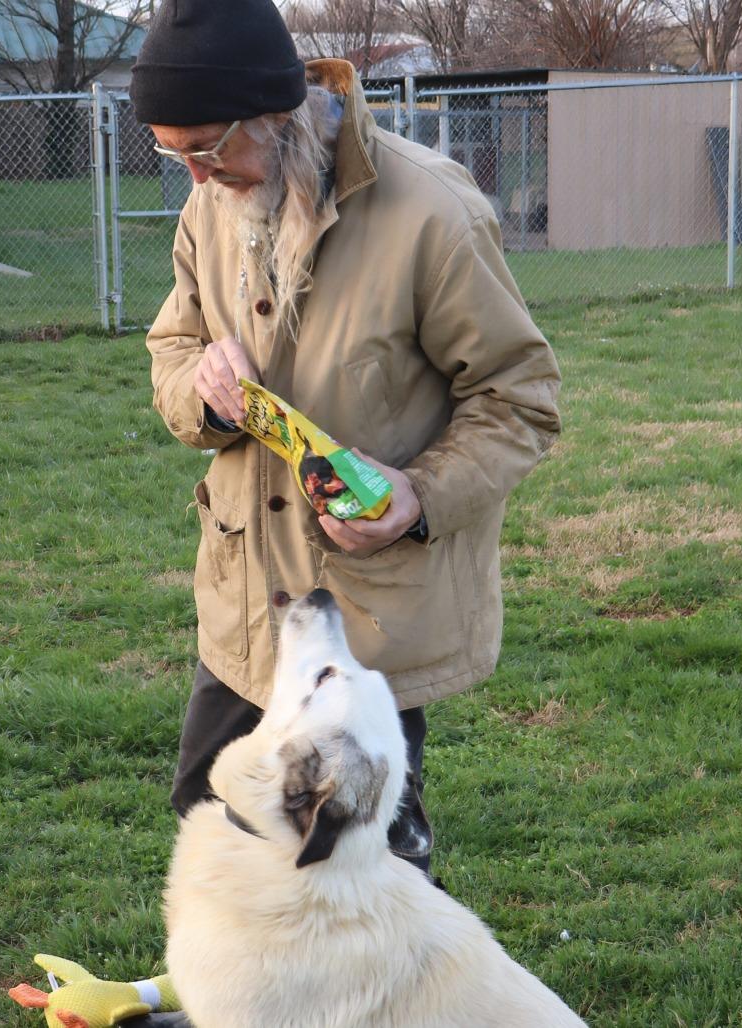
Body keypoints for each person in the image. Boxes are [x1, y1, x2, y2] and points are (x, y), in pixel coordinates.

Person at [133, 0, 562, 878]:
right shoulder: (209, 203)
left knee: (365, 855)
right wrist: (206, 395)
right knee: (211, 819)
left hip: (367, 615)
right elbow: (173, 346)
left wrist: (418, 496)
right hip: (251, 602)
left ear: (275, 116)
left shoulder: (432, 214)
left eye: (207, 148)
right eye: (172, 154)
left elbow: (521, 398)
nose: (196, 176)